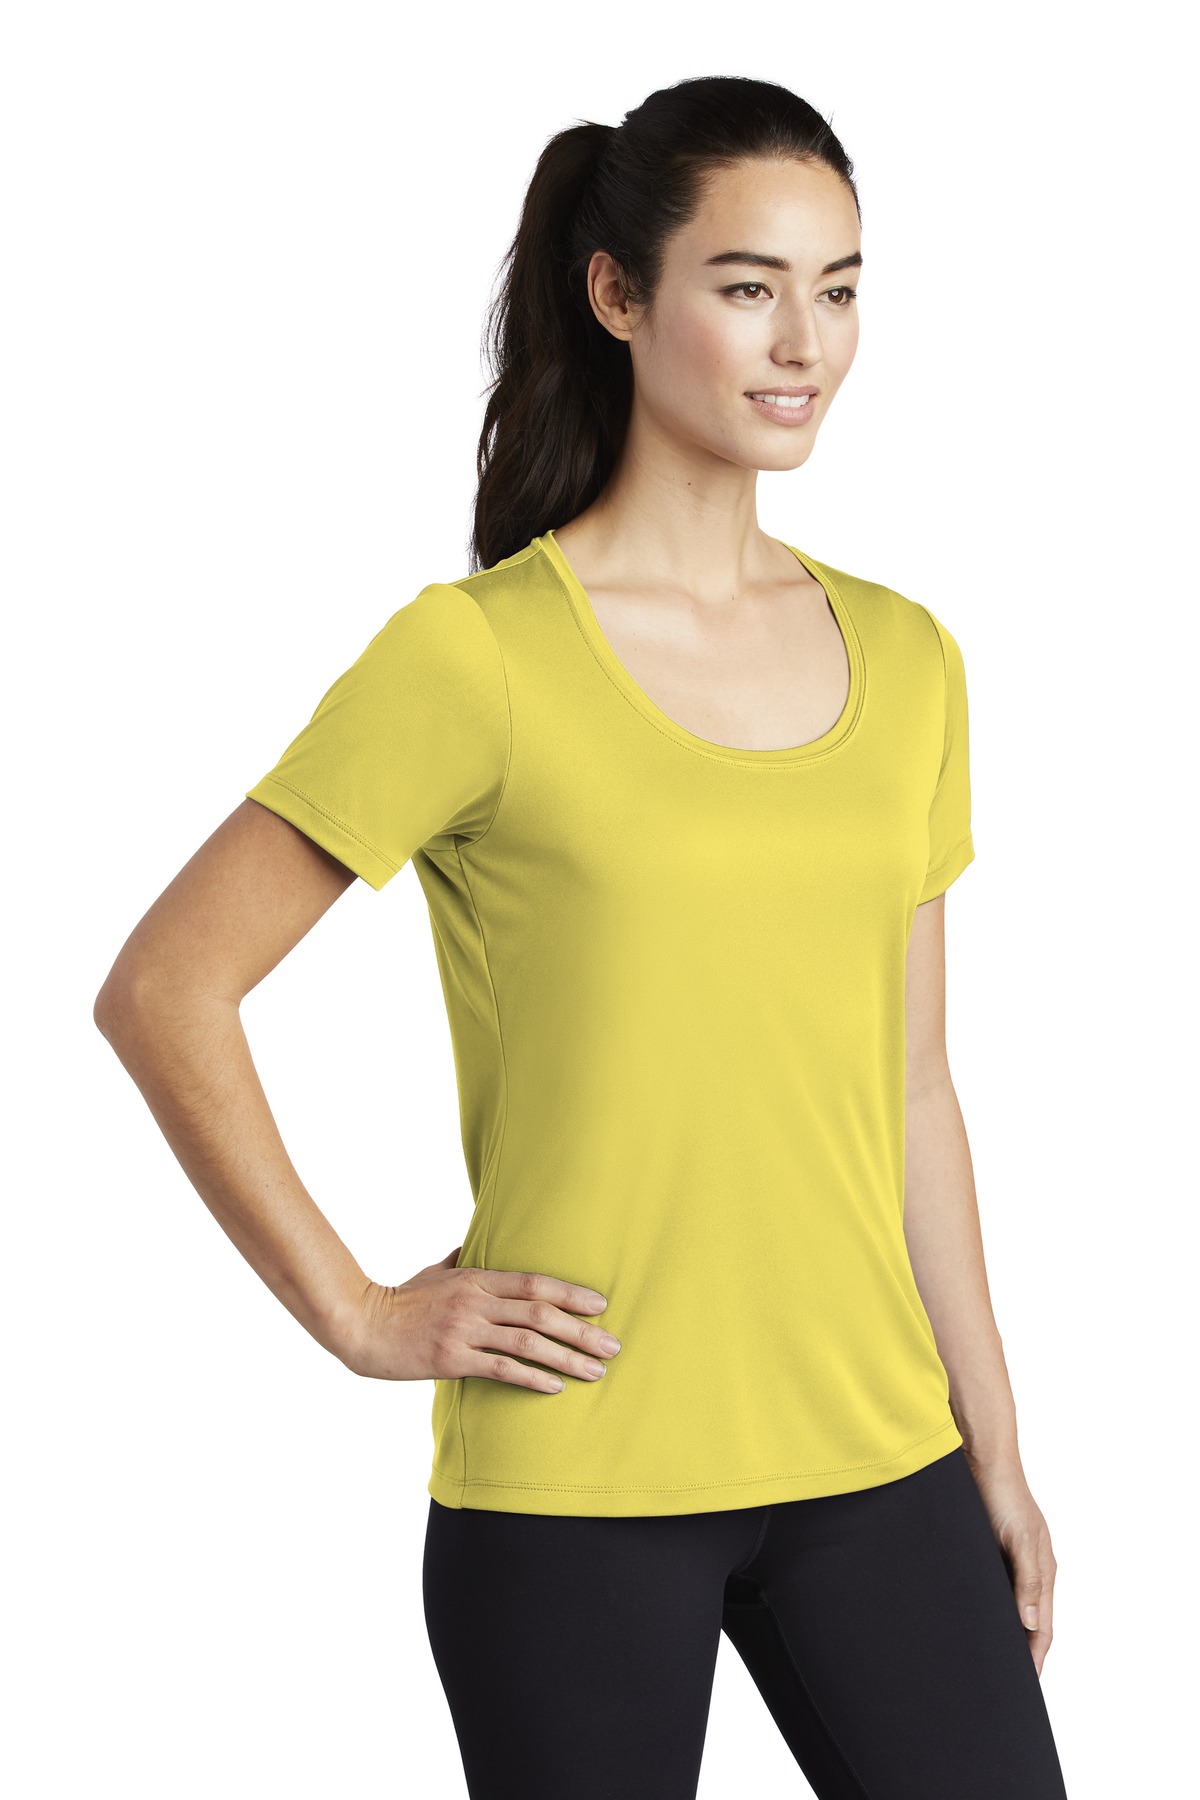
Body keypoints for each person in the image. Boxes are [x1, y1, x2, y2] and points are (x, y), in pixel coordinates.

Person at [94, 74, 1070, 1800]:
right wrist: (360, 1313)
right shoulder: (476, 658)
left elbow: (916, 1088)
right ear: (617, 294)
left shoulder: (913, 660)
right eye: (749, 287)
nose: (806, 344)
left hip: (878, 1464)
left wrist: (993, 1440)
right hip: (577, 1483)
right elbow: (168, 987)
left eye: (840, 289)